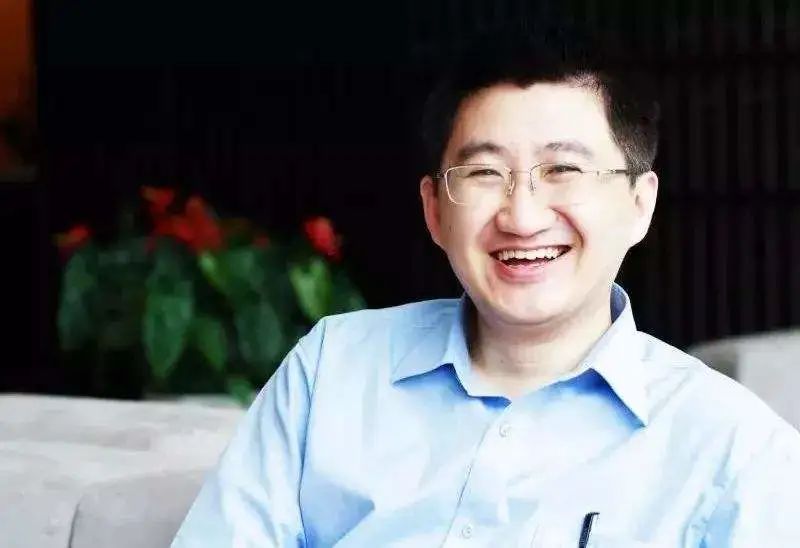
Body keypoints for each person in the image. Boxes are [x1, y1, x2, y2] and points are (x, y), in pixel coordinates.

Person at [172, 24, 800, 547]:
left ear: (640, 204)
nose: (522, 217)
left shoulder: (734, 451)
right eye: (484, 173)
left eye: (563, 169)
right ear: (433, 210)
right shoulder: (331, 372)